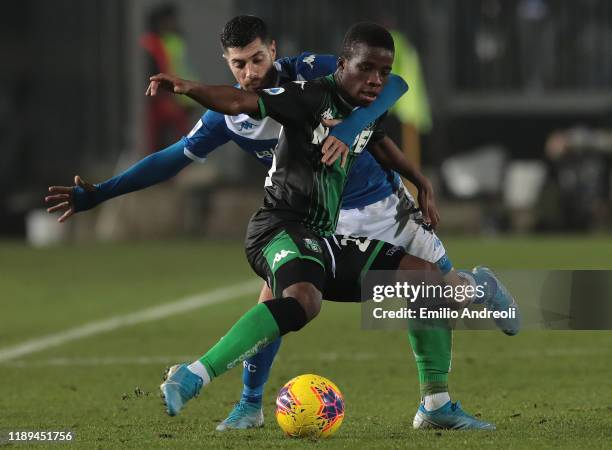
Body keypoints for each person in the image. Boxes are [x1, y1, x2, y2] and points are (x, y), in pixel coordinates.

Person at [46, 17, 519, 430]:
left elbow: (389, 87)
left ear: (273, 50)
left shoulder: (313, 75)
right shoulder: (233, 112)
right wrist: (101, 194)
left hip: (380, 205)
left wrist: (381, 152)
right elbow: (169, 160)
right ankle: (248, 405)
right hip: (313, 220)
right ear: (226, 64)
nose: (249, 72)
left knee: (438, 293)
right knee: (281, 296)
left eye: (257, 59)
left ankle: (467, 319)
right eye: (238, 64)